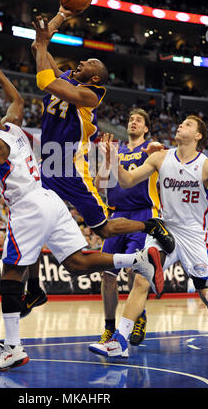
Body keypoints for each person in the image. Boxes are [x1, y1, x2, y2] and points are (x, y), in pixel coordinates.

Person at [0, 51, 173, 371]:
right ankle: (137, 261)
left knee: (11, 272)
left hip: (31, 202)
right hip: (48, 195)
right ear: (0, 119)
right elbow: (17, 100)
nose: (81, 64)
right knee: (76, 261)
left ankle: (13, 346)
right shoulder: (12, 126)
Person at [25, 10, 173, 317]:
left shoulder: (90, 95)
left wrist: (42, 42)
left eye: (86, 64)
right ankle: (34, 289)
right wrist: (59, 16)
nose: (79, 62)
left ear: (94, 77)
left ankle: (150, 226)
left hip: (70, 169)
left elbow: (45, 82)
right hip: (47, 166)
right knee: (30, 221)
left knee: (104, 230)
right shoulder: (67, 76)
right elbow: (39, 49)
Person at [102, 115, 208, 357]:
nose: (181, 125)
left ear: (198, 136)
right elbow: (129, 180)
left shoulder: (206, 166)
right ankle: (119, 340)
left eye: (188, 124)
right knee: (141, 278)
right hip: (165, 230)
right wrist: (113, 162)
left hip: (195, 236)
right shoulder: (160, 157)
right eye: (181, 122)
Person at [88, 109, 163, 356]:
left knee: (134, 269)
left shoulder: (152, 150)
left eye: (139, 120)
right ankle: (109, 328)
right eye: (130, 118)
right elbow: (100, 184)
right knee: (107, 275)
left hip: (143, 213)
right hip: (116, 215)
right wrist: (106, 160)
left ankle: (137, 315)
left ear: (145, 129)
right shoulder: (116, 151)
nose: (133, 121)